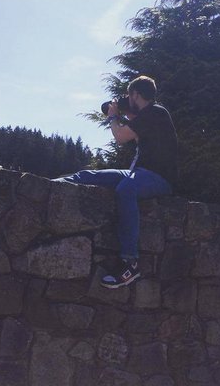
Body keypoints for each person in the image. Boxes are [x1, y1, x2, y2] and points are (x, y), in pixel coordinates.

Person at [54, 75, 178, 288]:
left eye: (129, 96)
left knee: (126, 188)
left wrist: (113, 116)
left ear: (135, 94)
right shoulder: (149, 116)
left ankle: (130, 263)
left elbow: (120, 137)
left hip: (159, 178)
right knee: (89, 176)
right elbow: (133, 131)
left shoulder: (156, 112)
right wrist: (124, 112)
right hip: (140, 172)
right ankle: (49, 184)